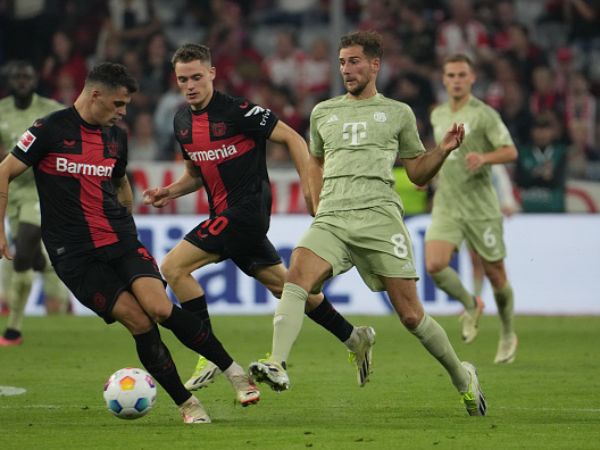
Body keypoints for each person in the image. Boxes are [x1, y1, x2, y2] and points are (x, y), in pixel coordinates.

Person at [0, 62, 260, 424]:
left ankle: (234, 372)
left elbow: (121, 182)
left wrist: (127, 218)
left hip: (120, 239)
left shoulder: (115, 137)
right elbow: (4, 171)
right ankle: (188, 404)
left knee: (160, 307)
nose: (123, 113)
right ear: (96, 95)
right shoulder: (49, 129)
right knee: (139, 321)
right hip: (74, 256)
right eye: (119, 105)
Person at [248, 31, 487, 417]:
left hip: (379, 218)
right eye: (342, 62)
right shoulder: (324, 112)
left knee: (411, 316)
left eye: (354, 61)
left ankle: (463, 377)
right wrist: (314, 198)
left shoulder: (398, 112)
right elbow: (316, 161)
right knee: (296, 279)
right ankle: (277, 362)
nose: (347, 69)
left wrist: (441, 150)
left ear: (375, 65)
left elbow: (418, 175)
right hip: (334, 217)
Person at [143, 43, 376, 392]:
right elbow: (196, 174)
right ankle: (354, 337)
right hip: (225, 216)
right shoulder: (182, 122)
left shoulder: (238, 111)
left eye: (196, 77)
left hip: (247, 213)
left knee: (174, 267)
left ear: (211, 74)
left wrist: (312, 188)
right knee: (287, 286)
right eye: (182, 79)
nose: (190, 85)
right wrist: (169, 191)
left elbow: (294, 139)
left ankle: (207, 353)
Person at [425, 54, 518, 364]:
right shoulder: (438, 115)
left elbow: (510, 151)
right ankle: (471, 303)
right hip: (447, 204)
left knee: (496, 275)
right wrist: (427, 175)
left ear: (472, 78)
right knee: (434, 265)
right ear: (444, 79)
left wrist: (484, 158)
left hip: (480, 207)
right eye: (450, 75)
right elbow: (442, 153)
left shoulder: (484, 114)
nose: (456, 80)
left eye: (462, 75)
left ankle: (507, 332)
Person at [0, 61, 71, 347]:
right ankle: (42, 261)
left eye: (27, 75)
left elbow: (64, 141)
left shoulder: (49, 109)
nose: (22, 80)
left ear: (35, 79)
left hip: (41, 190)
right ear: (9, 80)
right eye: (17, 75)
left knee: (25, 246)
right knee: (33, 255)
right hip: (11, 191)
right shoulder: (1, 110)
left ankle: (13, 329)